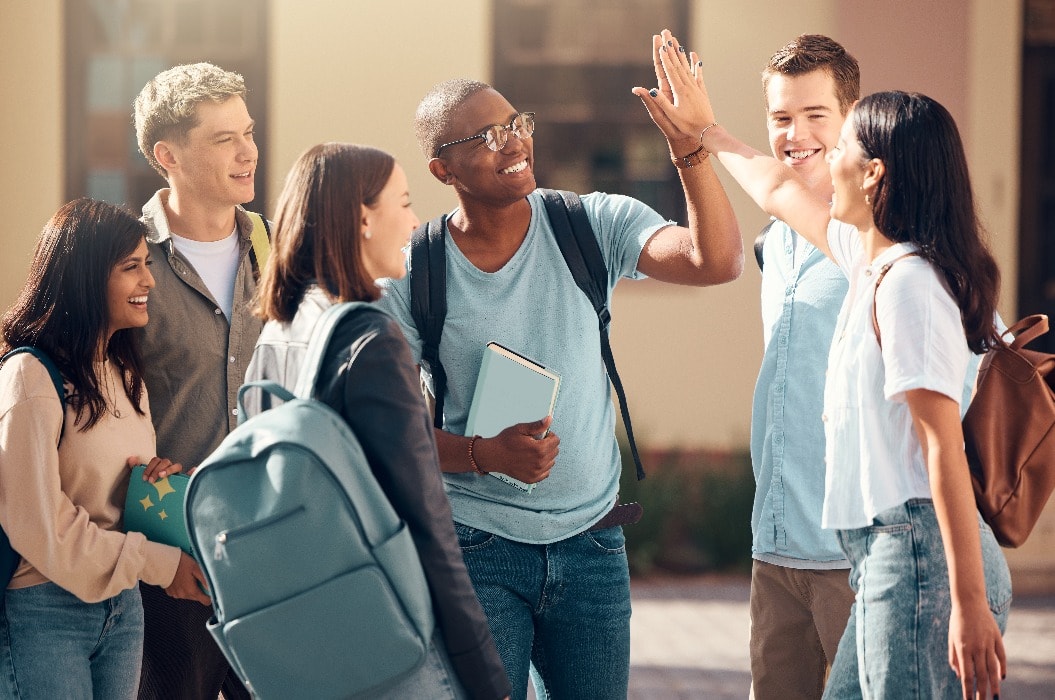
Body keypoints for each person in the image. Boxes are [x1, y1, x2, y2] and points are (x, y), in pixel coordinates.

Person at [637, 28, 1012, 699]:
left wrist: (970, 599)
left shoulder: (908, 281)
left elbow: (942, 447)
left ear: (871, 169)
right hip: (841, 544)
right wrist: (704, 134)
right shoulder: (857, 252)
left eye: (833, 134)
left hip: (905, 548)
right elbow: (776, 184)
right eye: (783, 117)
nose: (816, 149)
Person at [375, 78, 742, 700]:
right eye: (488, 136)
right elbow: (386, 428)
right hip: (476, 549)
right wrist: (481, 454)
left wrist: (691, 152)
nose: (514, 141)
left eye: (518, 122)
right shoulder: (416, 269)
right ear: (443, 169)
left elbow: (715, 262)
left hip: (593, 543)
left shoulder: (590, 223)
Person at [243, 142, 511, 700]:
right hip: (386, 631)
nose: (415, 222)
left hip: (306, 621)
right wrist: (485, 672)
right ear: (363, 219)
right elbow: (426, 518)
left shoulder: (282, 328)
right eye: (405, 203)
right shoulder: (368, 339)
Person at [0, 198, 210, 699]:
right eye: (131, 267)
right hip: (44, 610)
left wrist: (153, 484)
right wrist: (161, 564)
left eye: (148, 265)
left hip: (123, 606)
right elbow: (41, 526)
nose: (149, 282)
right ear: (87, 277)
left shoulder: (125, 374)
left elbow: (108, 504)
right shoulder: (30, 377)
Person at [131, 62, 262, 700]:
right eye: (223, 139)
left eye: (248, 132)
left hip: (273, 536)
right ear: (168, 155)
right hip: (171, 551)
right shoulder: (125, 263)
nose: (248, 153)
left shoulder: (276, 249)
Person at [746, 35, 859, 699]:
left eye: (815, 114)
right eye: (782, 117)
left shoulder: (885, 231)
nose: (796, 134)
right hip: (774, 546)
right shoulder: (773, 239)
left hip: (852, 554)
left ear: (849, 117)